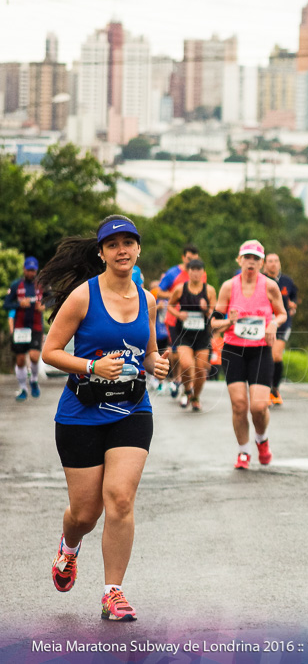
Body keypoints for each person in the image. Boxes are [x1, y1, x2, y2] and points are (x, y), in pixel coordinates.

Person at [38, 215, 170, 622]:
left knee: (120, 498)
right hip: (81, 413)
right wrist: (93, 368)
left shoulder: (147, 299)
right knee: (85, 513)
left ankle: (113, 592)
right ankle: (69, 546)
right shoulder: (82, 297)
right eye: (113, 245)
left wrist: (156, 363)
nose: (122, 250)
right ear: (101, 253)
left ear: (138, 249)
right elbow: (50, 352)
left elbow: (146, 351)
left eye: (129, 242)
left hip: (131, 410)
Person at [210, 240, 288, 470]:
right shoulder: (228, 287)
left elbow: (282, 313)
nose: (251, 262)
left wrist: (274, 323)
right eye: (247, 258)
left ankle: (261, 439)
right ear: (239, 260)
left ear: (262, 263)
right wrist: (229, 321)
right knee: (239, 405)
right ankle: (243, 451)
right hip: (234, 350)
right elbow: (214, 323)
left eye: (255, 258)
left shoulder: (270, 286)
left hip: (261, 350)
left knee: (258, 406)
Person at [167, 259, 216, 411]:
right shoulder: (181, 289)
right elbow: (169, 305)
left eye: (198, 270)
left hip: (202, 336)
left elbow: (214, 315)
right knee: (187, 364)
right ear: (188, 272)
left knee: (201, 370)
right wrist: (178, 314)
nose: (195, 273)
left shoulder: (209, 291)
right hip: (184, 335)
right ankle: (187, 389)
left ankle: (195, 397)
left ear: (203, 272)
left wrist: (206, 308)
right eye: (192, 270)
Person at [156, 244, 201, 399]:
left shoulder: (200, 273)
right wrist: (176, 296)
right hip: (175, 318)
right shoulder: (173, 273)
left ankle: (183, 381)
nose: (191, 263)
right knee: (175, 353)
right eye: (189, 259)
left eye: (194, 260)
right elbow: (159, 291)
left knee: (190, 353)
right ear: (183, 258)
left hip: (194, 320)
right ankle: (175, 379)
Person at [4, 256, 46, 401]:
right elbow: (6, 304)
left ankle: (34, 380)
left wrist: (44, 306)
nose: (31, 273)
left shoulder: (42, 285)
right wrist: (19, 305)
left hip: (36, 326)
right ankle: (23, 388)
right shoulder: (16, 285)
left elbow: (53, 298)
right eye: (29, 270)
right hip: (20, 328)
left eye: (33, 270)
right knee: (20, 360)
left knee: (34, 356)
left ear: (36, 271)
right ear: (24, 269)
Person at [262, 253, 298, 406]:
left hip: (282, 322)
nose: (273, 264)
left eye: (276, 261)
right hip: (264, 322)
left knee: (276, 355)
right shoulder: (260, 280)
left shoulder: (287, 281)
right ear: (265, 264)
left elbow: (294, 297)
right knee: (266, 355)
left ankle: (274, 388)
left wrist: (293, 305)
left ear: (280, 264)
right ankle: (265, 389)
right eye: (270, 261)